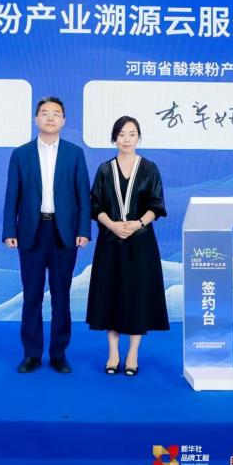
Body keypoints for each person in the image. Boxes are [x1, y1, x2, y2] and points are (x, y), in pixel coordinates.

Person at [3, 96, 91, 374]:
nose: (50, 117)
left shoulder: (74, 154)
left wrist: (84, 230)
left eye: (56, 113)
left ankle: (58, 354)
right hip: (31, 231)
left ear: (63, 120)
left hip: (64, 233)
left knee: (61, 295)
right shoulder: (21, 154)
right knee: (32, 294)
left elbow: (83, 195)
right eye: (44, 113)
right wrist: (9, 230)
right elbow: (12, 195)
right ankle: (31, 354)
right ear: (36, 119)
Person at [86, 116, 169, 376]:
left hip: (140, 243)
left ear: (138, 138)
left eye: (132, 134)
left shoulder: (150, 168)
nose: (126, 139)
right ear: (114, 138)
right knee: (110, 294)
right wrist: (112, 225)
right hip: (110, 243)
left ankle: (133, 353)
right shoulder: (104, 169)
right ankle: (113, 353)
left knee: (137, 296)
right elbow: (95, 206)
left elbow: (157, 205)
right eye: (121, 134)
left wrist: (138, 224)